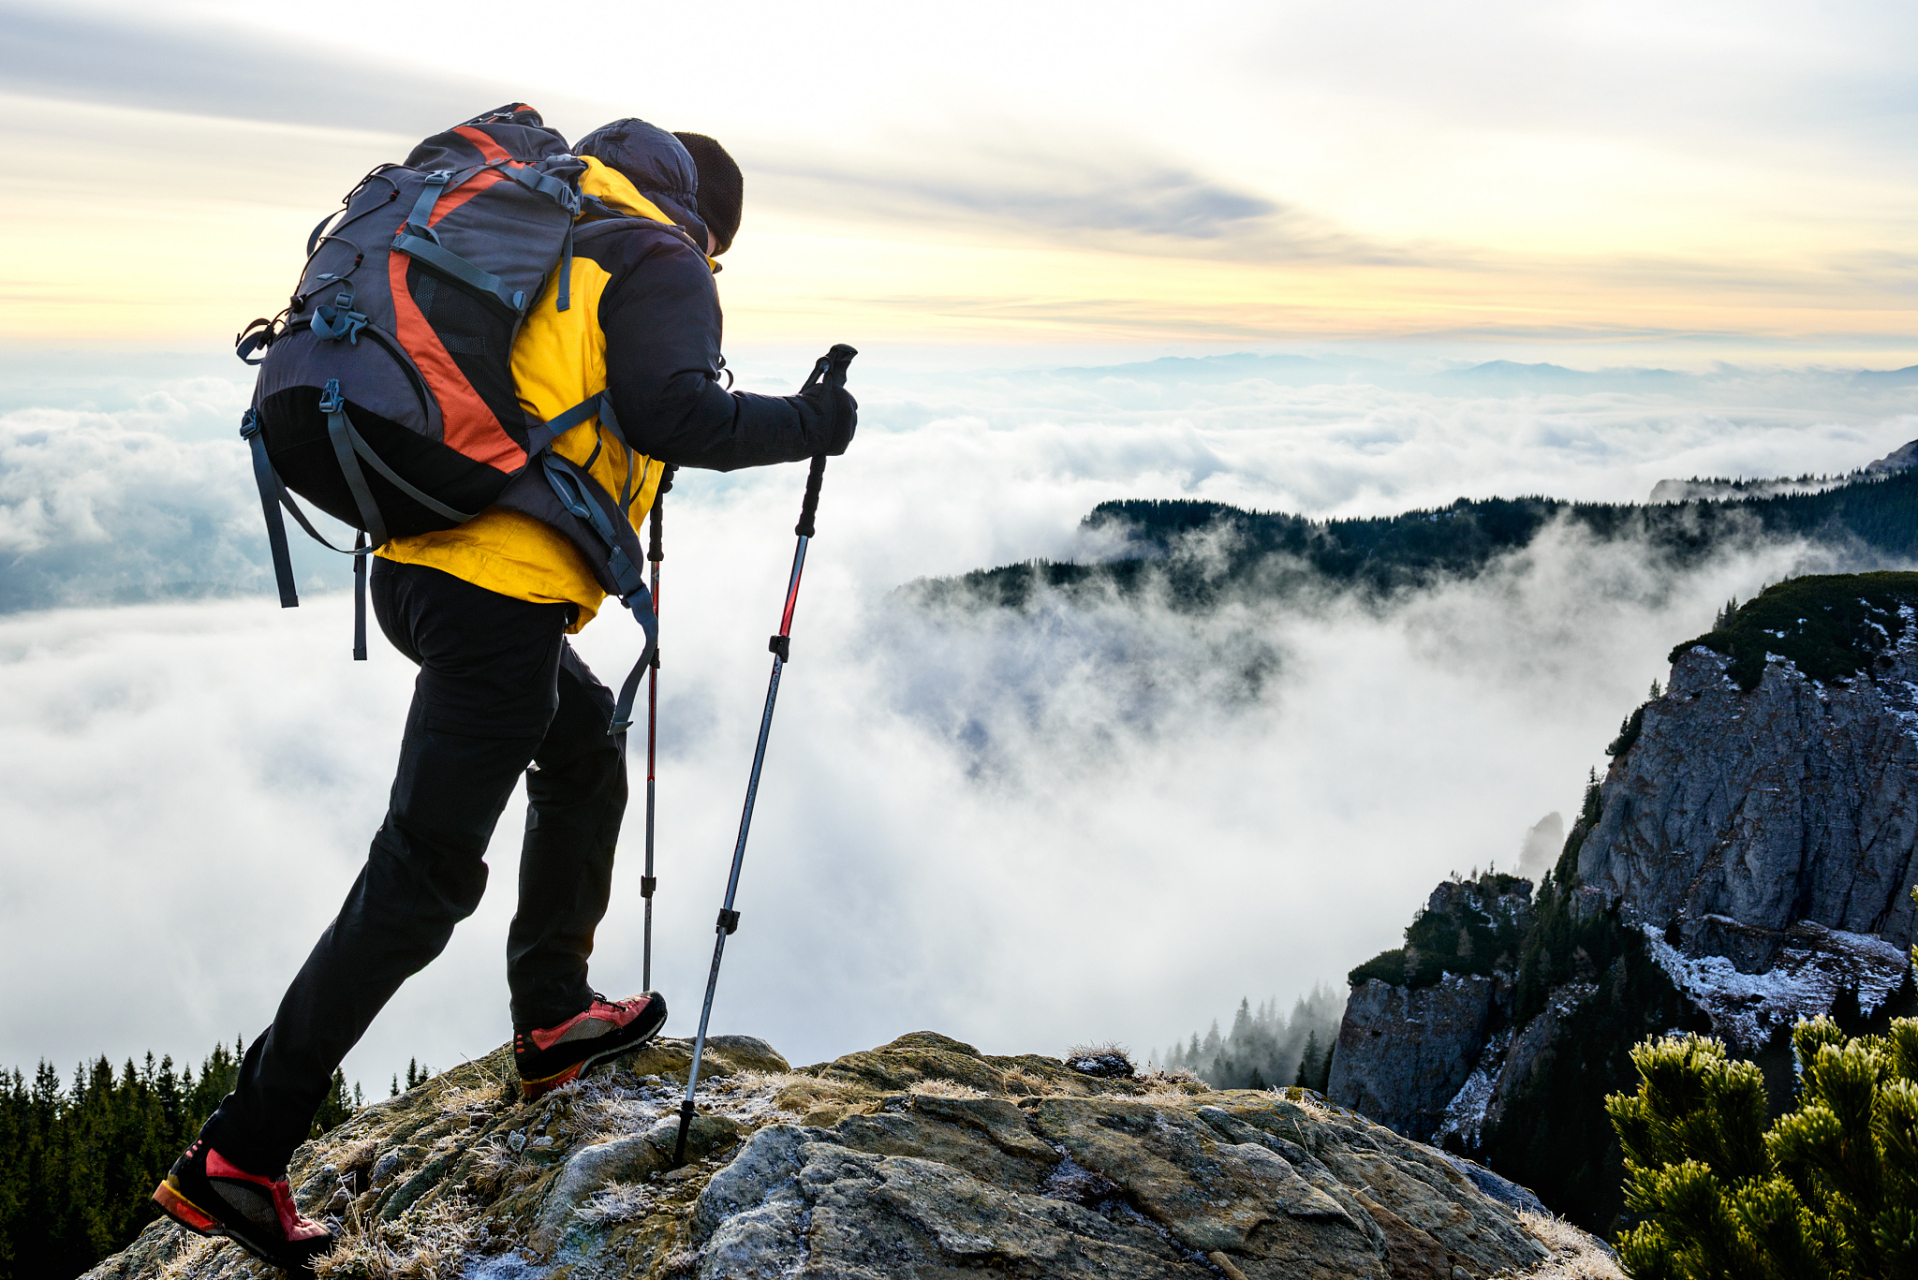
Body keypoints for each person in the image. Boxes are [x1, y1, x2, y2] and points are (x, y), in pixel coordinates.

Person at [151, 119, 856, 1275]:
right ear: (713, 223)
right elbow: (677, 413)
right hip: (495, 597)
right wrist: (811, 424)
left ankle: (552, 1013)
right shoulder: (656, 253)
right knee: (419, 880)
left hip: (422, 571)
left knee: (581, 744)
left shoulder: (554, 223)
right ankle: (240, 1154)